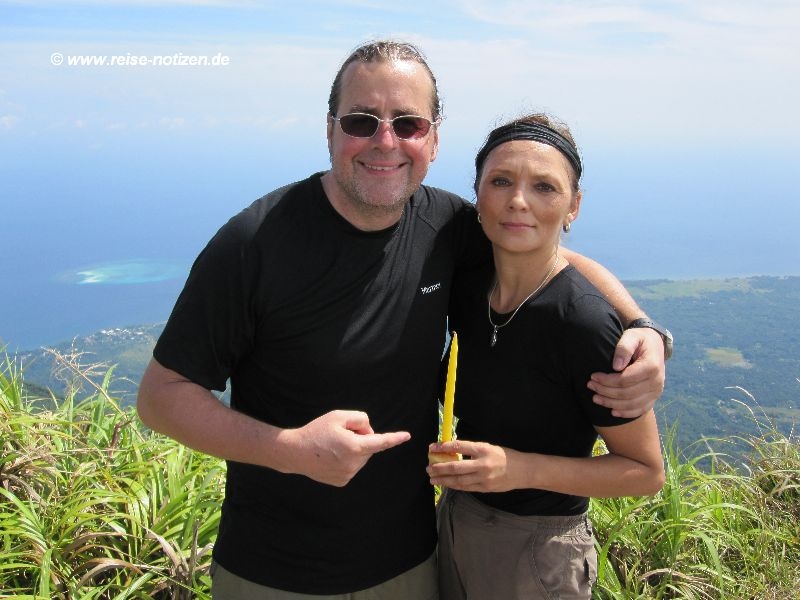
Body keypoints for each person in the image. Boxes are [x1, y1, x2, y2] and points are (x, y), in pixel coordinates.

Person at [136, 41, 668, 599]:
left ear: (433, 139)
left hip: (414, 564)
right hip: (273, 573)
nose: (385, 141)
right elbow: (161, 396)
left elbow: (544, 253)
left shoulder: (443, 225)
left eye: (407, 123)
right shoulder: (257, 243)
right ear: (331, 130)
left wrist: (642, 327)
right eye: (362, 121)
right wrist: (289, 448)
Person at [427, 113, 667, 600]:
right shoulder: (471, 281)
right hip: (456, 522)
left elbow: (646, 472)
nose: (518, 201)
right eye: (501, 181)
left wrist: (518, 469)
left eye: (544, 187)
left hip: (538, 550)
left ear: (573, 206)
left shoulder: (584, 324)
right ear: (478, 195)